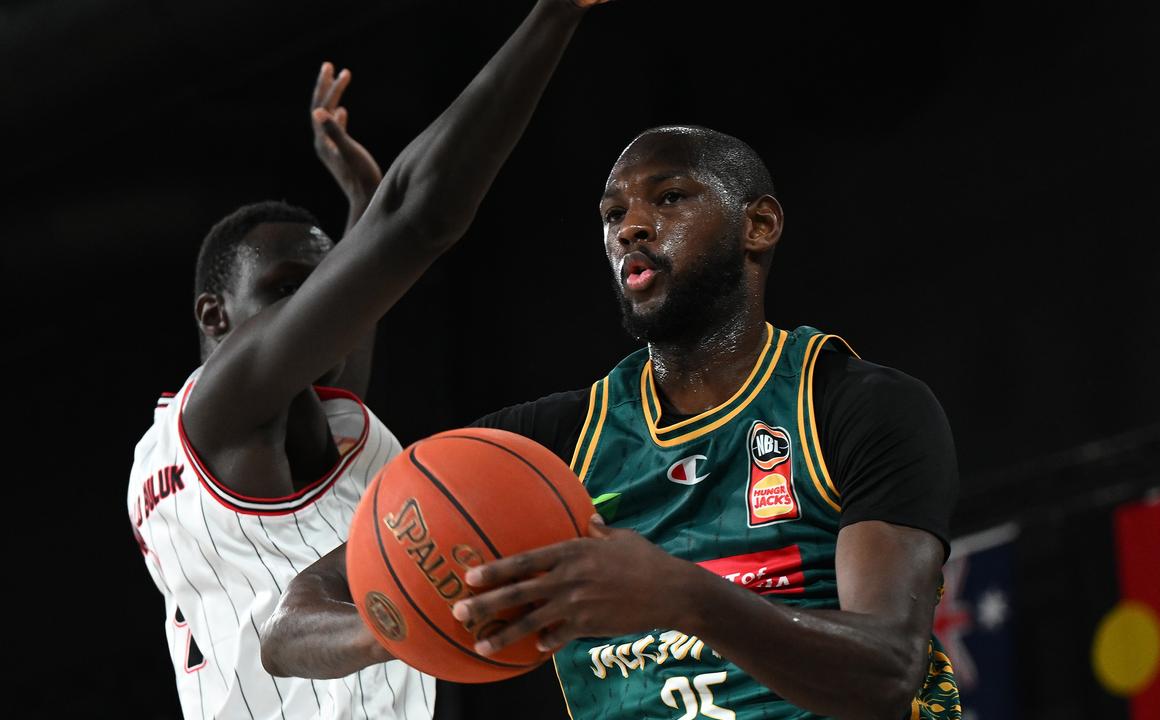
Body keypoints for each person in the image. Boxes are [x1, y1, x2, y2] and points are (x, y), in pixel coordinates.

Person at [264, 124, 963, 720]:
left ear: (759, 225)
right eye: (612, 213)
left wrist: (684, 596)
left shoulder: (854, 405)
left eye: (669, 198)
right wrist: (403, 619)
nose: (630, 226)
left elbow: (886, 671)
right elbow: (288, 628)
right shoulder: (544, 446)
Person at [126, 2, 603, 717]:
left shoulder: (253, 434)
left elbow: (359, 300)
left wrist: (359, 199)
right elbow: (419, 218)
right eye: (288, 291)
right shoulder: (226, 408)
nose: (318, 304)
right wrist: (555, 17)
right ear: (213, 315)